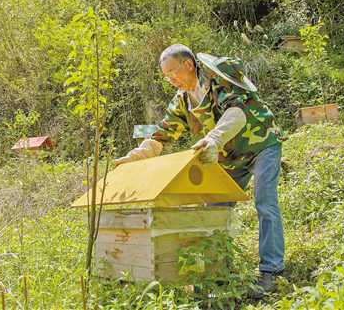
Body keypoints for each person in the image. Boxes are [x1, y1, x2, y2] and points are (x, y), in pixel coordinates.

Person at [115, 44, 285, 297]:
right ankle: (218, 275)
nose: (170, 79)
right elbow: (162, 135)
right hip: (229, 159)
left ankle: (271, 271)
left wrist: (214, 139)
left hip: (261, 146)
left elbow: (236, 114)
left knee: (265, 203)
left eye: (173, 72)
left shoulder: (217, 80)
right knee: (214, 212)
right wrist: (136, 156)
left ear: (188, 64)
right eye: (165, 76)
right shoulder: (182, 100)